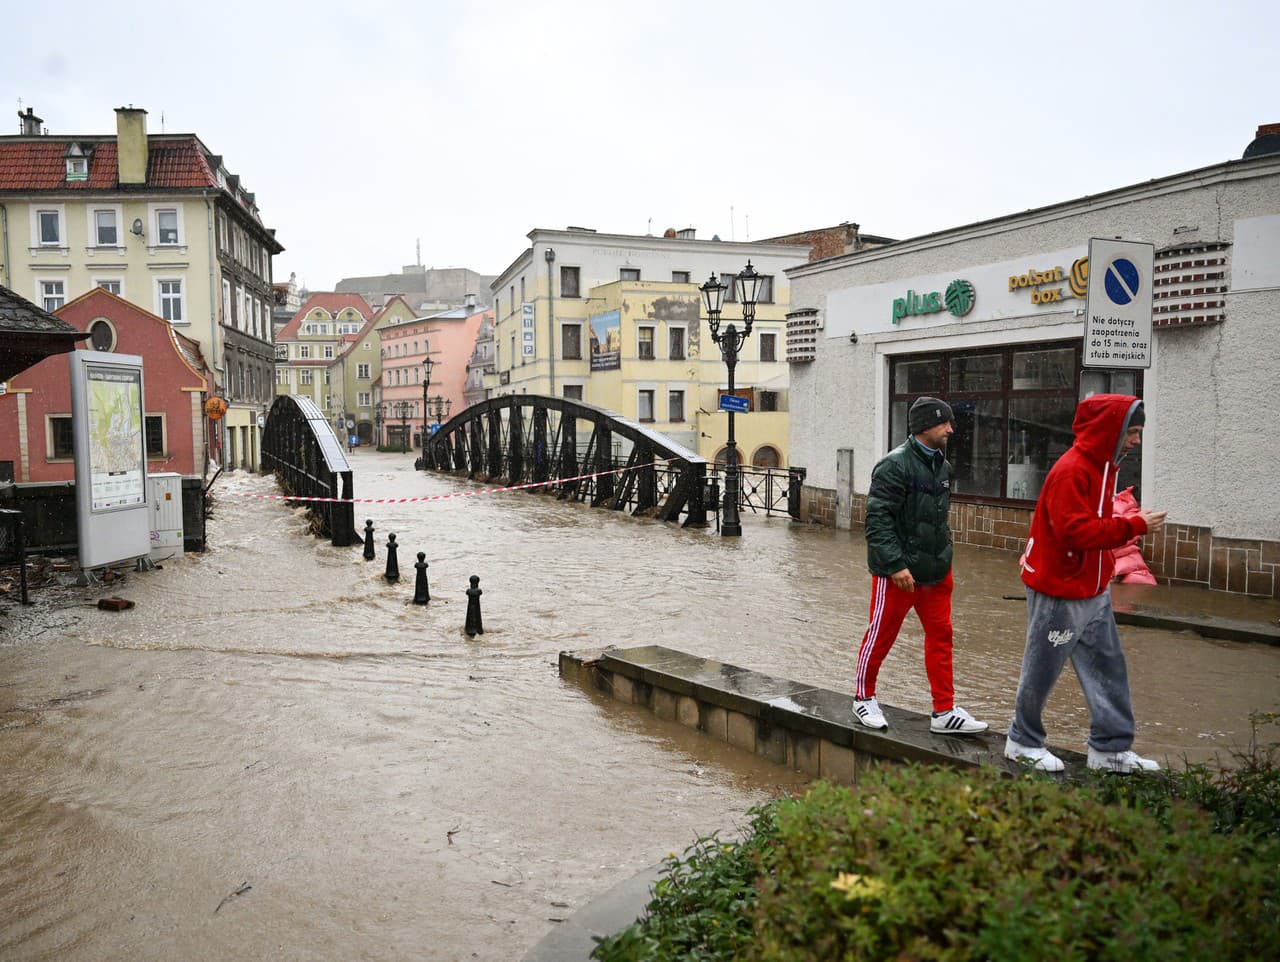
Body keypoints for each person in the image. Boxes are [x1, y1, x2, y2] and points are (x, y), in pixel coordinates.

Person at [1005, 394, 1167, 774]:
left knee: (1108, 667)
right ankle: (1022, 742)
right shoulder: (1073, 471)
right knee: (1041, 670)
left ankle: (1110, 751)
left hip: (1093, 590)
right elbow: (1074, 532)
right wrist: (1135, 525)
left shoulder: (1103, 468)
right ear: (1112, 431)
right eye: (1133, 432)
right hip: (1059, 591)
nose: (1136, 441)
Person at [852, 396, 989, 735]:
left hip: (937, 572)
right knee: (881, 636)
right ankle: (863, 698)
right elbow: (877, 520)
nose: (951, 429)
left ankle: (944, 711)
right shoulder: (893, 465)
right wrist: (895, 565)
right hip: (899, 574)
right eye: (945, 423)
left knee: (942, 638)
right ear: (925, 426)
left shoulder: (943, 467)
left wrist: (945, 558)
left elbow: (937, 519)